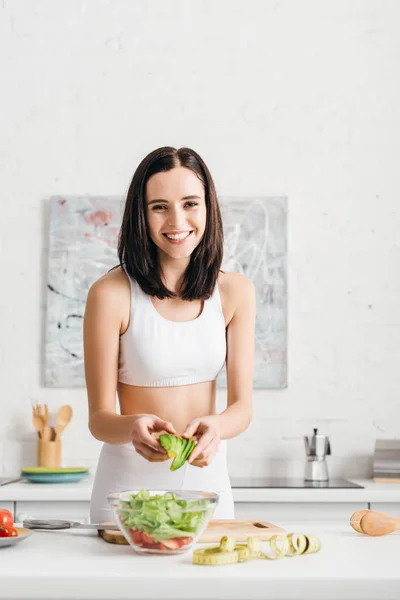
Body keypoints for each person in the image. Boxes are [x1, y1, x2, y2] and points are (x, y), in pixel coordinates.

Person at [84, 146, 256, 523]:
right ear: (140, 215)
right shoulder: (110, 294)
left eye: (190, 203)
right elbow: (98, 419)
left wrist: (216, 426)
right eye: (159, 206)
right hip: (125, 495)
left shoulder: (235, 292)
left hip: (207, 489)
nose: (177, 220)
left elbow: (241, 409)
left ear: (208, 207)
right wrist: (130, 427)